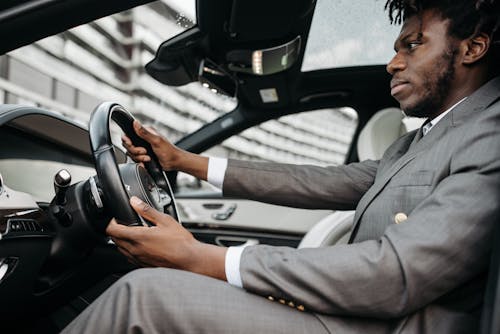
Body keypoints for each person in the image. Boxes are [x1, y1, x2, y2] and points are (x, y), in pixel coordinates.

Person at [63, 0, 500, 333]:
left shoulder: (490, 133)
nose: (393, 62)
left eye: (413, 44)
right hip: (352, 314)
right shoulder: (419, 140)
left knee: (142, 298)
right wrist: (183, 161)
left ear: (473, 48)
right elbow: (317, 181)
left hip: (378, 325)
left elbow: (394, 274)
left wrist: (202, 256)